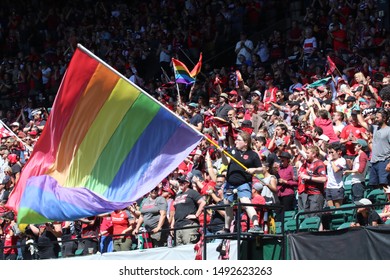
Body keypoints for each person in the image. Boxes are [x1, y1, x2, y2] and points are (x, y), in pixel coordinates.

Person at [218, 131, 263, 234]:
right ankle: (226, 228)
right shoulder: (233, 151)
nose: (236, 141)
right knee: (227, 205)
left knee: (245, 201)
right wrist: (222, 154)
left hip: (244, 183)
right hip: (230, 184)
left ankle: (256, 225)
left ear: (246, 142)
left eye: (238, 140)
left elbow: (262, 169)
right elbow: (225, 162)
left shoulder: (253, 155)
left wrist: (254, 170)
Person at [171, 175, 205, 245]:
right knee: (179, 251)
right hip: (178, 226)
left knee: (189, 248)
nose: (181, 183)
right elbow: (176, 211)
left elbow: (203, 202)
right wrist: (172, 225)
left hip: (188, 224)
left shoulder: (192, 192)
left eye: (183, 182)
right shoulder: (177, 195)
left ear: (188, 183)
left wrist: (196, 215)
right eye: (180, 182)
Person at [299, 146, 327, 216]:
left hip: (316, 194)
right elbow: (299, 149)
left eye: (308, 153)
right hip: (308, 193)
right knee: (308, 217)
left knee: (315, 218)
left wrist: (308, 177)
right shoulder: (308, 162)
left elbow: (324, 179)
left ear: (314, 154)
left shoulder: (319, 163)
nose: (306, 154)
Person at [325, 143, 346, 208]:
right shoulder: (330, 159)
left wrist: (331, 161)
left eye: (332, 152)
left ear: (339, 152)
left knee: (337, 208)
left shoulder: (342, 160)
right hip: (329, 187)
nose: (330, 154)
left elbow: (336, 170)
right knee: (331, 208)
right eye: (329, 152)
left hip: (337, 187)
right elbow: (321, 152)